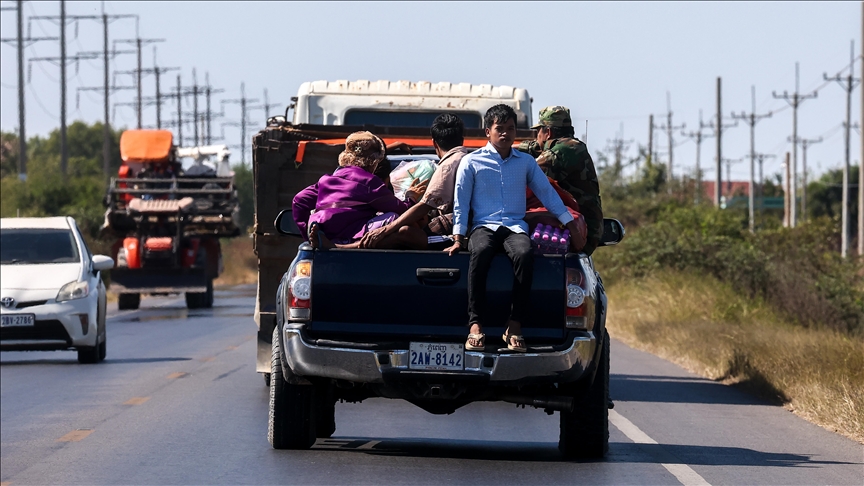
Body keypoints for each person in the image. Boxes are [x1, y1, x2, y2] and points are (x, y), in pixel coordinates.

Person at [446, 104, 587, 353]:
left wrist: (569, 223)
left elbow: (547, 194)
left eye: (510, 129)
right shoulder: (471, 162)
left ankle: (514, 325)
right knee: (480, 253)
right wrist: (458, 236)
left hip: (514, 226)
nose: (505, 134)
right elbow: (461, 201)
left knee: (524, 254)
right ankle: (475, 325)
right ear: (487, 131)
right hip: (484, 225)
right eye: (499, 129)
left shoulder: (525, 162)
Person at [292, 131, 428, 249]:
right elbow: (402, 210)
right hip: (351, 234)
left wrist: (309, 238)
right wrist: (411, 197)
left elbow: (299, 201)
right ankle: (343, 247)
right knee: (393, 217)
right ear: (374, 161)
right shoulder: (369, 182)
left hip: (324, 230)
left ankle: (328, 243)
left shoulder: (327, 179)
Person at [359, 113, 469, 250]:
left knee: (404, 232)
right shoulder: (467, 160)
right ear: (462, 140)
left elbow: (425, 205)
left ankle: (353, 247)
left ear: (434, 142)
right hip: (463, 226)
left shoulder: (449, 165)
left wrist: (386, 229)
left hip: (457, 233)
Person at [519, 106, 604, 255]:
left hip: (578, 230)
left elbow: (524, 176)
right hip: (578, 226)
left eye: (538, 131)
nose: (536, 135)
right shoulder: (571, 146)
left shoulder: (563, 152)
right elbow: (533, 147)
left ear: (548, 132)